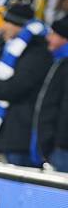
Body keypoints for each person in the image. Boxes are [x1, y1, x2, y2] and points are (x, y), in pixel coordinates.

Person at [0, 2, 53, 165]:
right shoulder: (7, 48)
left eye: (7, 22)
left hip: (19, 134)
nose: (2, 27)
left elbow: (15, 88)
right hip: (5, 131)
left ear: (17, 25)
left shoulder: (37, 52)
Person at [31, 14, 68, 171]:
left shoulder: (64, 66)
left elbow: (55, 107)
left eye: (53, 33)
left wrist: (50, 143)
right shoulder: (58, 63)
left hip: (61, 148)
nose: (48, 37)